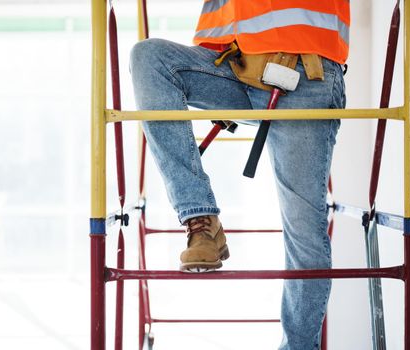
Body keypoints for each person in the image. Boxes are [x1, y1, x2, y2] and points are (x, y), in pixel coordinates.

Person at [130, 1, 349, 349]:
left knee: (305, 236)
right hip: (238, 67)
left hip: (307, 75)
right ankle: (201, 219)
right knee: (150, 57)